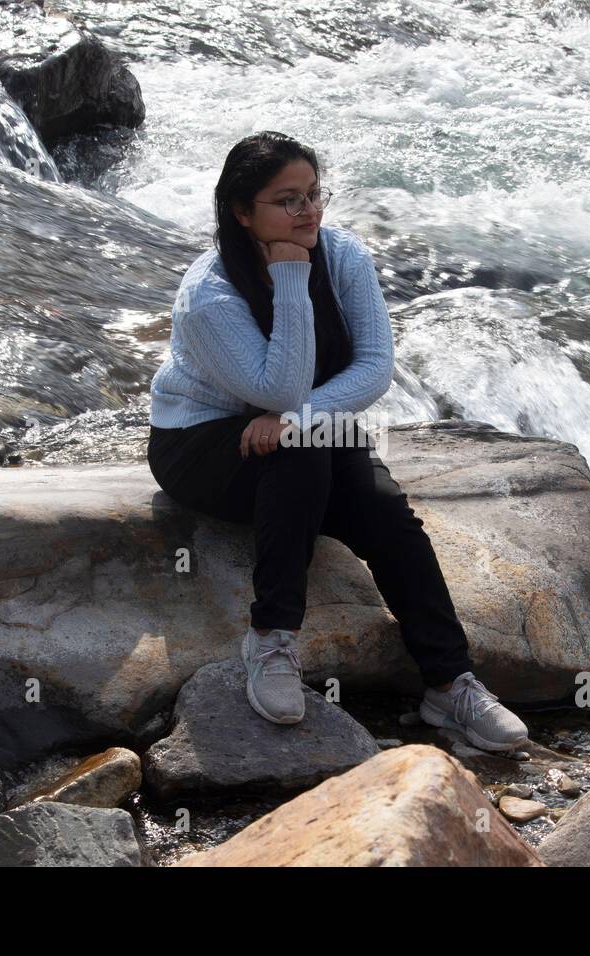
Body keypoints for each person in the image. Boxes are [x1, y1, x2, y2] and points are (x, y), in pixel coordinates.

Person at [147, 131, 528, 752]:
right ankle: (270, 639)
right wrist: (291, 278)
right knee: (303, 457)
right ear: (242, 213)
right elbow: (279, 385)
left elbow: (374, 368)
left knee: (382, 508)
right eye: (288, 201)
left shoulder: (345, 255)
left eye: (314, 196)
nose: (310, 213)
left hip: (303, 430)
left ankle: (449, 683)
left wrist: (297, 420)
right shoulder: (208, 295)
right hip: (202, 442)